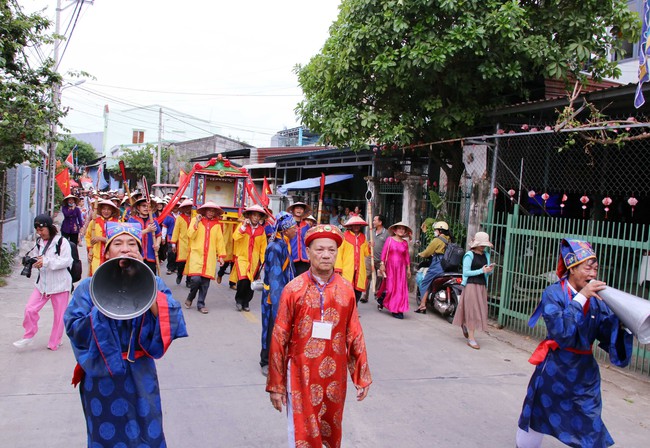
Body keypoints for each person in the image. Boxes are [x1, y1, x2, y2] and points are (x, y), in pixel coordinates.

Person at [64, 222, 188, 447]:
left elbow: (173, 319)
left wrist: (145, 285)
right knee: (105, 436)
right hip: (101, 375)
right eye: (118, 243)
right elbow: (75, 328)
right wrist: (103, 305)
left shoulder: (154, 283)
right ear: (107, 251)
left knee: (147, 432)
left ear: (140, 252)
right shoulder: (88, 287)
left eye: (132, 244)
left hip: (141, 373)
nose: (125, 249)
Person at [515, 239, 632, 448]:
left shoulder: (598, 299)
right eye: (588, 268)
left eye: (596, 268)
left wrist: (623, 323)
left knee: (590, 422)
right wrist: (581, 298)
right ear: (572, 267)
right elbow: (561, 332)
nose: (593, 274)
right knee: (537, 415)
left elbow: (606, 334)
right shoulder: (554, 293)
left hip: (584, 373)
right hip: (555, 369)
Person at [266, 224, 372, 448]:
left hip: (335, 375)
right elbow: (279, 337)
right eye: (320, 249)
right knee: (302, 432)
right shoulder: (293, 289)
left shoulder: (346, 290)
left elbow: (354, 333)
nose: (326, 255)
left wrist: (361, 375)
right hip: (300, 373)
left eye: (331, 250)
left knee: (331, 430)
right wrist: (276, 385)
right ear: (308, 252)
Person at [14, 214, 73, 351]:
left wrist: (46, 262)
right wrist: (32, 260)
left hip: (60, 284)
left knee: (59, 316)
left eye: (42, 230)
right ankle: (28, 336)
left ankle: (55, 342)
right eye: (37, 230)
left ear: (49, 227)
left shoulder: (61, 242)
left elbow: (66, 261)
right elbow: (37, 255)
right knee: (30, 309)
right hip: (42, 285)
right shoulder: (39, 242)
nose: (40, 233)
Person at [259, 213, 296, 376]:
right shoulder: (275, 247)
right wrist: (279, 302)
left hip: (284, 292)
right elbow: (275, 277)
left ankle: (280, 359)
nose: (296, 230)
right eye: (294, 227)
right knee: (271, 327)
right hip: (274, 296)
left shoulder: (285, 242)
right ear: (286, 229)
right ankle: (265, 361)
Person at [452, 231, 494, 349]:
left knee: (479, 310)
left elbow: (486, 271)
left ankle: (465, 326)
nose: (483, 246)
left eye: (484, 244)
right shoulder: (469, 255)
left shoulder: (486, 255)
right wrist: (481, 270)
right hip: (471, 285)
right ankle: (471, 338)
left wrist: (489, 270)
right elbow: (466, 272)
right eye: (481, 244)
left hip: (481, 286)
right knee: (472, 311)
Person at [184, 201, 226, 314]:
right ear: (204, 211)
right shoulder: (195, 220)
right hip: (197, 255)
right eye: (209, 210)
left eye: (213, 211)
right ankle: (190, 296)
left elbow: (220, 242)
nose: (211, 213)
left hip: (210, 258)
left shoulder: (217, 225)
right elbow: (190, 235)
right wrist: (196, 223)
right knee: (196, 279)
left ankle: (201, 304)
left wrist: (221, 256)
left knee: (205, 283)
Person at [232, 204, 268, 312]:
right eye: (254, 215)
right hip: (242, 257)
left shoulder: (261, 230)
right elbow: (235, 237)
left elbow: (263, 247)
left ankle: (246, 302)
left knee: (251, 282)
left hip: (255, 260)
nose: (256, 218)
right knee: (243, 280)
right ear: (249, 216)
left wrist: (263, 261)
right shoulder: (242, 226)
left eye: (258, 216)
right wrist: (243, 227)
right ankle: (239, 300)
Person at [377, 221, 412, 319]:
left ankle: (397, 309)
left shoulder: (405, 243)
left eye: (403, 229)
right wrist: (382, 264)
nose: (401, 230)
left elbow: (406, 256)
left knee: (400, 289)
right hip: (390, 267)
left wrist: (408, 268)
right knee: (391, 288)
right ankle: (383, 300)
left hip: (401, 269)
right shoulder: (389, 240)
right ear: (395, 230)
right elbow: (384, 253)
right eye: (399, 228)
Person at [415, 221, 451, 313]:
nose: (435, 231)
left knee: (425, 283)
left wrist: (420, 254)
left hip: (437, 264)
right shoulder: (449, 239)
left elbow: (427, 252)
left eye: (435, 230)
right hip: (448, 266)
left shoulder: (437, 240)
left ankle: (422, 305)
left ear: (439, 230)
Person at [335, 215, 370, 303]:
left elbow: (366, 253)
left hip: (359, 268)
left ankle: (355, 306)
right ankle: (348, 307)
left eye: (358, 225)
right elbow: (339, 253)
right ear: (351, 225)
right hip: (347, 268)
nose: (356, 226)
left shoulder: (363, 237)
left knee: (358, 290)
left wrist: (369, 246)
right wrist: (338, 268)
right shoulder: (344, 236)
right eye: (354, 224)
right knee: (347, 288)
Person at [85, 199, 120, 276]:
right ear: (100, 210)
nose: (106, 211)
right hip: (97, 257)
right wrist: (89, 251)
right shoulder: (94, 222)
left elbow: (119, 240)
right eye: (104, 209)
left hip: (112, 257)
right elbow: (88, 237)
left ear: (112, 211)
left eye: (108, 209)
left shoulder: (118, 223)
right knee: (96, 278)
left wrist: (101, 239)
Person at [127, 197, 162, 274]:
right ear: (138, 207)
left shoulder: (153, 221)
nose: (146, 208)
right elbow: (130, 235)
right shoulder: (132, 220)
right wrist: (147, 230)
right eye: (143, 206)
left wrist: (157, 244)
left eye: (148, 206)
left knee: (151, 276)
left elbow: (159, 235)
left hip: (151, 255)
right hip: (136, 254)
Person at [362, 214, 388, 302]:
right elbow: (367, 244)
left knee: (380, 277)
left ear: (380, 222)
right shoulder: (371, 232)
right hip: (370, 257)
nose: (373, 222)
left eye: (375, 220)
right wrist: (369, 245)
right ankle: (365, 295)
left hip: (381, 259)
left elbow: (388, 247)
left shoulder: (387, 233)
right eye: (373, 220)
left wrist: (383, 261)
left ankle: (377, 293)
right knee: (367, 275)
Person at [170, 199, 193, 287]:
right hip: (182, 243)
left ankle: (188, 281)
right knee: (181, 263)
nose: (188, 209)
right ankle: (179, 275)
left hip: (192, 243)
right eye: (186, 207)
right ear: (183, 209)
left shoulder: (195, 217)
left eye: (189, 207)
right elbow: (176, 231)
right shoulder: (179, 218)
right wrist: (173, 243)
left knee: (191, 263)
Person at [287, 201, 312, 276]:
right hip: (291, 257)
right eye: (297, 208)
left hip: (304, 258)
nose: (299, 210)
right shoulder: (288, 224)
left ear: (304, 211)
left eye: (301, 208)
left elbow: (309, 241)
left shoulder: (307, 226)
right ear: (293, 210)